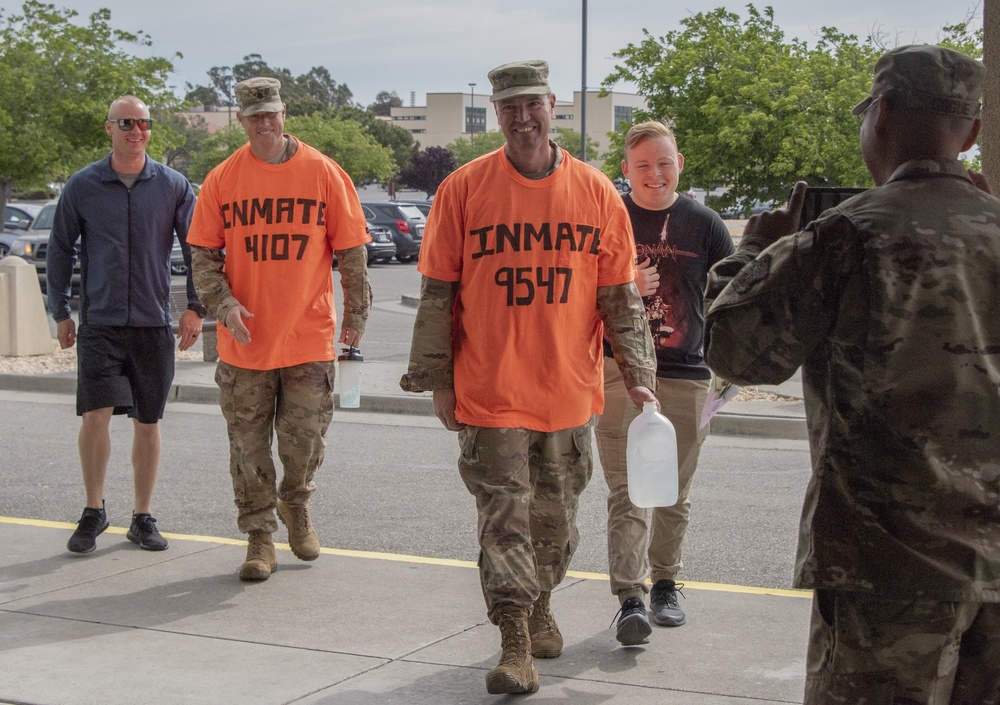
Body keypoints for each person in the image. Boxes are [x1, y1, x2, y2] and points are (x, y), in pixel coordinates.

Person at [703, 45, 999, 704]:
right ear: (972, 132)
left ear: (882, 115)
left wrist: (751, 252)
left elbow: (735, 352)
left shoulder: (844, 237)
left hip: (888, 571)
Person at [400, 60, 656, 695]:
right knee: (502, 518)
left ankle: (543, 602)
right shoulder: (463, 189)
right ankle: (515, 640)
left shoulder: (597, 194)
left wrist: (641, 373)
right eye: (508, 107)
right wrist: (437, 379)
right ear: (497, 114)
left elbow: (620, 298)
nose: (522, 117)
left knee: (557, 521)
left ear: (551, 106)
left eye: (531, 104)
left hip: (568, 389)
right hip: (490, 389)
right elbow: (438, 294)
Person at [187, 77, 372, 583]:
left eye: (272, 113)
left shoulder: (323, 173)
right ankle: (258, 536)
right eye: (254, 116)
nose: (265, 123)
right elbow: (203, 255)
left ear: (284, 113)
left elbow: (351, 251)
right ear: (241, 121)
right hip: (244, 344)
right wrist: (222, 304)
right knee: (247, 449)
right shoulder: (224, 179)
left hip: (307, 339)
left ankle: (296, 502)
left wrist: (356, 314)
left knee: (305, 443)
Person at [595, 120, 734, 644]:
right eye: (643, 165)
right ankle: (629, 598)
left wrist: (727, 376)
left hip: (688, 375)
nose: (655, 174)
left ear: (680, 164)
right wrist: (624, 283)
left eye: (664, 162)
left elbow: (732, 299)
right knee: (626, 491)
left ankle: (665, 585)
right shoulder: (611, 219)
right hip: (619, 371)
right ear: (625, 170)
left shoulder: (706, 224)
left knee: (673, 491)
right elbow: (580, 289)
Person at [48, 95, 204, 554]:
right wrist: (60, 312)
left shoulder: (173, 185)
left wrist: (195, 306)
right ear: (109, 128)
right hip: (100, 323)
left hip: (154, 325)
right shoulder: (83, 185)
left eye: (144, 123)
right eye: (127, 123)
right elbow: (60, 248)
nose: (137, 131)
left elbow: (197, 249)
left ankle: (142, 516)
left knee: (147, 421)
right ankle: (94, 511)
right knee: (95, 415)